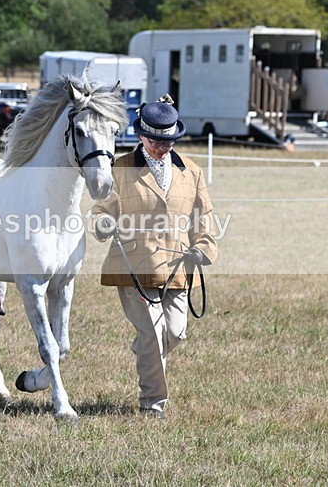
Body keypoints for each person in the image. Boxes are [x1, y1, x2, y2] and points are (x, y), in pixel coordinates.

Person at [91, 95, 218, 418]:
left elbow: (204, 217)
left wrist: (203, 246)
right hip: (133, 264)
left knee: (174, 333)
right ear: (142, 137)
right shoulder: (120, 168)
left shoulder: (192, 171)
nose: (163, 148)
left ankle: (147, 350)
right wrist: (104, 222)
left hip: (177, 267)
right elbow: (101, 210)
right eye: (157, 142)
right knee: (153, 333)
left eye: (169, 141)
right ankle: (153, 404)